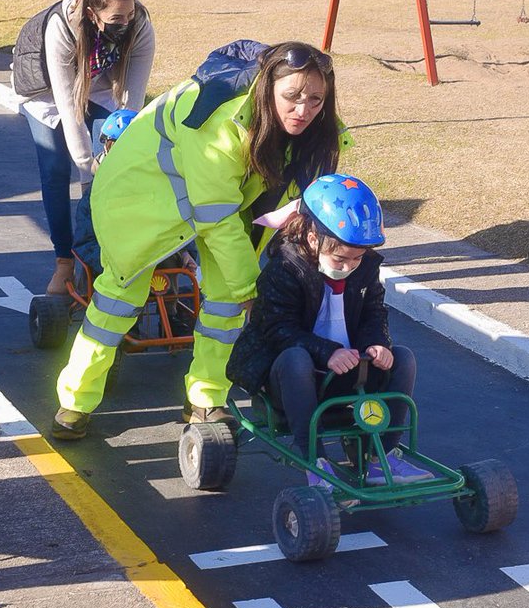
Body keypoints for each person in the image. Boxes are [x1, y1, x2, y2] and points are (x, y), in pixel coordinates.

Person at [51, 39, 347, 440]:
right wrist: (252, 290)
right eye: (292, 96)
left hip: (218, 203)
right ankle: (75, 402)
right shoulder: (218, 123)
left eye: (315, 99)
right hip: (138, 201)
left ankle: (206, 399)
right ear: (266, 87)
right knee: (117, 302)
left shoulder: (317, 133)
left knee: (227, 304)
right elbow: (216, 217)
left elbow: (287, 206)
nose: (303, 110)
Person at [226, 173, 431, 489]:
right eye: (341, 258)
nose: (349, 266)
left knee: (403, 358)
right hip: (292, 379)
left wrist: (377, 344)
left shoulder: (364, 269)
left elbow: (374, 313)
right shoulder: (284, 270)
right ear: (312, 238)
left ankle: (380, 457)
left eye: (357, 258)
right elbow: (277, 330)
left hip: (346, 373)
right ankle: (316, 461)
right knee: (296, 358)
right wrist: (326, 352)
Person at [14, 0, 155, 296]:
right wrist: (87, 166)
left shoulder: (141, 27)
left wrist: (115, 156)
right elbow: (69, 108)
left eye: (129, 15)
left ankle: (96, 258)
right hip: (47, 91)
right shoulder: (61, 27)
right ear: (92, 14)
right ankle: (64, 260)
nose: (125, 23)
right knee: (55, 168)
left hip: (100, 84)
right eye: (116, 18)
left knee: (112, 164)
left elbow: (130, 107)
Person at [72, 108, 137, 279]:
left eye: (134, 147)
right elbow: (85, 241)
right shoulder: (95, 193)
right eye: (117, 147)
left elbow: (173, 224)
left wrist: (184, 254)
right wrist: (109, 263)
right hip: (108, 265)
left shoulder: (156, 184)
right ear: (107, 148)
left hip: (151, 261)